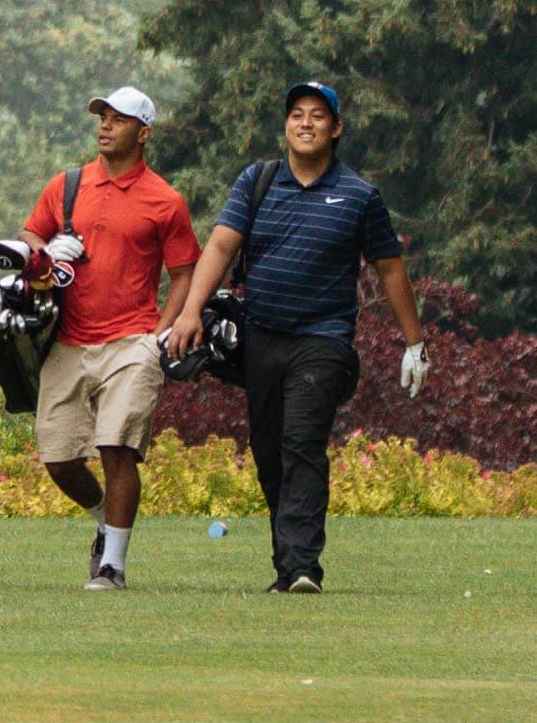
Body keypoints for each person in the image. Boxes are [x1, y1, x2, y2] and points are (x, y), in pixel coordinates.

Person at [168, 81, 428, 594]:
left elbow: (390, 269)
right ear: (286, 126)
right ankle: (287, 567)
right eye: (296, 115)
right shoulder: (257, 181)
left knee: (302, 442)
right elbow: (220, 247)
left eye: (317, 116)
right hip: (262, 334)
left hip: (325, 338)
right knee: (267, 448)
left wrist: (414, 344)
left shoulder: (358, 195)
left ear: (336, 129)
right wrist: (190, 312)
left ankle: (304, 565)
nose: (305, 123)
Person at [17, 87, 201, 591]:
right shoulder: (67, 186)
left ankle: (113, 566)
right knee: (58, 457)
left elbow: (185, 272)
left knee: (117, 447)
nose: (105, 126)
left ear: (143, 134)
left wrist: (162, 331)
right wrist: (49, 249)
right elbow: (29, 238)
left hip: (132, 341)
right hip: (68, 341)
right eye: (102, 117)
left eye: (118, 120)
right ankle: (104, 517)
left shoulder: (165, 200)